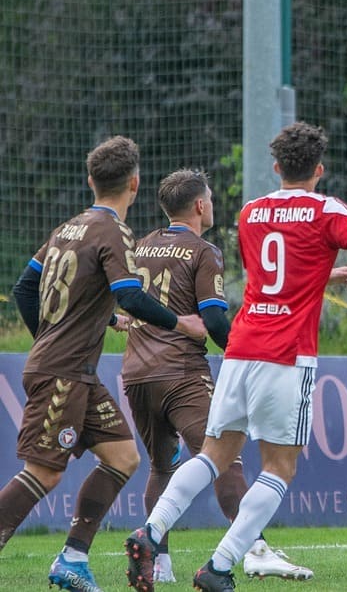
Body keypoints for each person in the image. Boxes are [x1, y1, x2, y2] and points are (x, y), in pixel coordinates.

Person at [124, 122, 347, 592]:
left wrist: (324, 274)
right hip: (287, 353)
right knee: (280, 467)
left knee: (214, 455)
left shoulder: (252, 212)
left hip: (241, 348)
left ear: (277, 167)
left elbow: (272, 277)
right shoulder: (326, 209)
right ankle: (219, 567)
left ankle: (150, 531)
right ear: (318, 169)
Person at [0, 136, 206, 592]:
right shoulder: (114, 232)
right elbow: (131, 293)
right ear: (135, 183)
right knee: (45, 470)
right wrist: (182, 323)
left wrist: (82, 325)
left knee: (122, 456)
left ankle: (72, 558)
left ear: (90, 180)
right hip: (63, 371)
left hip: (71, 369)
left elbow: (23, 290)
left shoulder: (67, 227)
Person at [123, 168, 338, 582]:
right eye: (211, 199)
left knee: (161, 467)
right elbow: (214, 318)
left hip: (135, 371)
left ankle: (159, 563)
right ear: (200, 205)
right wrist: (242, 354)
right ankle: (253, 549)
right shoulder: (204, 250)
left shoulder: (143, 244)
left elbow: (133, 297)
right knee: (222, 458)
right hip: (182, 371)